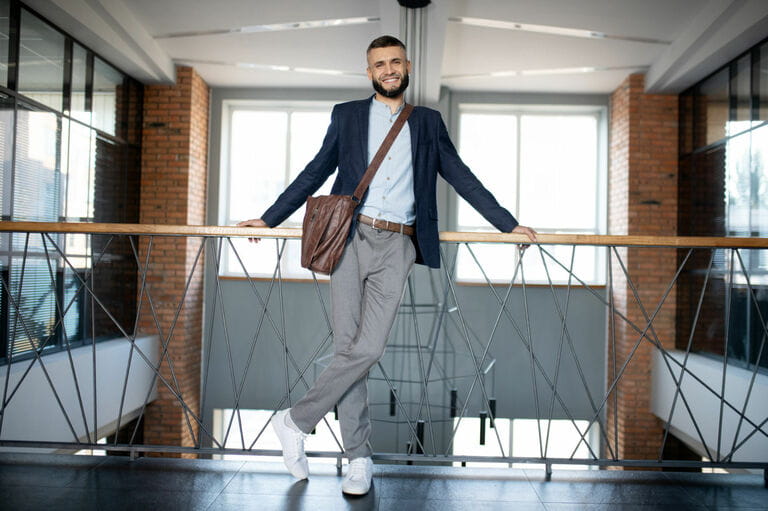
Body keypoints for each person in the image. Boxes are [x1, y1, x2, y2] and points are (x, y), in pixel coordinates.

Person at [237, 35, 537, 496]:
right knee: (348, 349)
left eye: (395, 62)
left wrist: (507, 224)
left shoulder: (428, 122)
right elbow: (315, 170)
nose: (389, 69)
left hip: (398, 245)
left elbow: (461, 176)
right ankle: (359, 459)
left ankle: (295, 420)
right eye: (379, 64)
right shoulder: (348, 116)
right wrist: (269, 217)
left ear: (407, 66)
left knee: (368, 347)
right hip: (349, 238)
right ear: (369, 72)